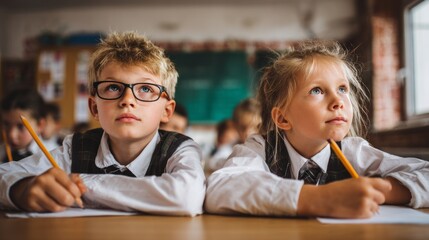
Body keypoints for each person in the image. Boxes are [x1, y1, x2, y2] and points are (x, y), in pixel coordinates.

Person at [205, 40, 429, 219]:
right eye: (317, 91)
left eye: (342, 89)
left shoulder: (353, 151)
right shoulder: (260, 148)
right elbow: (219, 188)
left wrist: (378, 190)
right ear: (282, 118)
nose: (338, 101)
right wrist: (318, 199)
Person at [0, 31, 206, 216]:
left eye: (145, 89)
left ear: (166, 111)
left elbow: (187, 196)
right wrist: (22, 189)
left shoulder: (180, 148)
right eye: (113, 87)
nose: (127, 100)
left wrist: (81, 183)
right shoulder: (76, 148)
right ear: (94, 107)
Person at [0, 88, 47, 163]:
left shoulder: (53, 156)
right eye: (6, 124)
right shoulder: (1, 153)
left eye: (20, 126)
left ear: (40, 125)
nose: (11, 135)